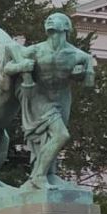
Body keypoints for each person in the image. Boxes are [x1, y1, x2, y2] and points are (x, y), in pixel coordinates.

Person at [16, 12, 94, 190]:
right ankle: (39, 176)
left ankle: (49, 174)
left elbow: (89, 84)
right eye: (48, 19)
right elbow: (8, 65)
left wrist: (83, 73)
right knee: (61, 135)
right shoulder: (35, 50)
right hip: (39, 96)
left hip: (62, 98)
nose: (50, 20)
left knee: (52, 138)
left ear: (66, 27)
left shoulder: (79, 55)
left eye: (56, 18)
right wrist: (21, 67)